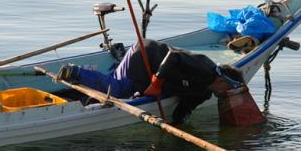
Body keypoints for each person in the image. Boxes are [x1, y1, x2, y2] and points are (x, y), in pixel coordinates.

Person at [57, 38, 244, 125]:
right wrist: (156, 82)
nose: (226, 93)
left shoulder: (204, 92)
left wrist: (178, 124)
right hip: (145, 54)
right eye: (228, 87)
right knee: (119, 89)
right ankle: (75, 72)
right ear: (221, 80)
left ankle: (118, 72)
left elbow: (185, 108)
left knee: (133, 91)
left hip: (153, 72)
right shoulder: (203, 65)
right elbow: (173, 56)